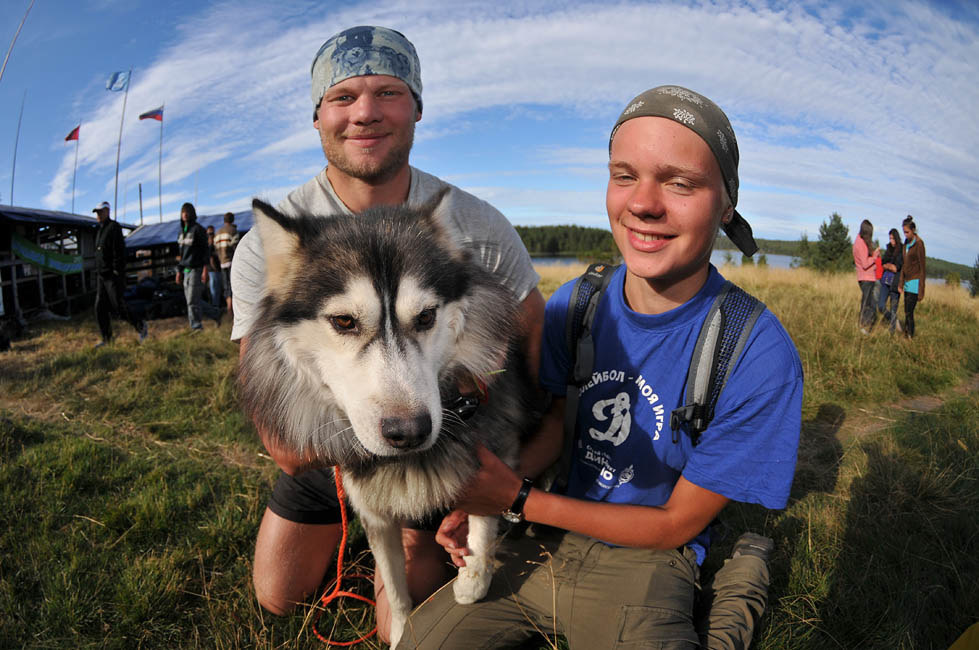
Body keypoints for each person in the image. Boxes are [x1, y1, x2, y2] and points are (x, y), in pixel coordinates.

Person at [399, 86, 803, 650]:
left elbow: (675, 524)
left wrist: (514, 498)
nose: (643, 203)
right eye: (624, 175)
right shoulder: (577, 305)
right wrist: (482, 501)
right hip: (542, 537)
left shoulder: (756, 352)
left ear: (726, 204)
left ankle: (741, 577)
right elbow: (563, 423)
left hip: (650, 557)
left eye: (680, 182)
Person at [229, 26, 545, 643]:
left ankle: (407, 538)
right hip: (327, 445)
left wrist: (504, 476)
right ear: (318, 115)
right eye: (343, 97)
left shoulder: (476, 223)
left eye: (388, 92)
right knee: (277, 594)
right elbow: (284, 442)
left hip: (448, 433)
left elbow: (532, 349)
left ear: (418, 108)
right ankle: (364, 527)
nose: (365, 112)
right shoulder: (268, 248)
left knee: (406, 612)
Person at [92, 201, 148, 347]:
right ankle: (107, 338)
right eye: (96, 213)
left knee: (119, 306)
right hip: (101, 276)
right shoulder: (99, 230)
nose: (97, 215)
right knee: (99, 308)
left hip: (112, 275)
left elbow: (119, 251)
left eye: (100, 212)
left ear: (107, 211)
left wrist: (117, 272)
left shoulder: (113, 227)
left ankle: (141, 326)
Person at [176, 202, 222, 331]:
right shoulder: (180, 232)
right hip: (185, 270)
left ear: (192, 213)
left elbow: (205, 251)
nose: (185, 214)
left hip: (196, 269)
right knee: (192, 301)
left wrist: (205, 269)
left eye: (187, 211)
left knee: (191, 301)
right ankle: (216, 313)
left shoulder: (198, 230)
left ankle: (196, 328)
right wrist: (179, 271)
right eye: (183, 211)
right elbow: (181, 254)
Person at [853, 219, 880, 334]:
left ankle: (864, 326)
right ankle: (864, 327)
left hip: (864, 277)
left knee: (869, 303)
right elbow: (865, 264)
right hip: (866, 278)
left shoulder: (858, 241)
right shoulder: (861, 244)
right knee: (868, 304)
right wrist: (875, 256)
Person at [901, 215, 925, 338]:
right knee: (906, 312)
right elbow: (903, 265)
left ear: (913, 230)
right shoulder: (905, 243)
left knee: (909, 312)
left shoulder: (919, 244)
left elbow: (922, 268)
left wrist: (921, 290)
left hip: (915, 284)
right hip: (906, 283)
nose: (905, 235)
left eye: (907, 232)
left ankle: (910, 336)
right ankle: (906, 335)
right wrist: (901, 284)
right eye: (903, 232)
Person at [877, 227, 903, 332]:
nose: (891, 241)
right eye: (890, 238)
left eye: (893, 238)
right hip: (885, 281)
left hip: (895, 283)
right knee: (881, 305)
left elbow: (897, 267)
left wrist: (889, 266)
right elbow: (883, 264)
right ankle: (893, 320)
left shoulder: (901, 249)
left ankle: (891, 333)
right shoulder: (889, 249)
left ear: (897, 238)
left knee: (893, 309)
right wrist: (888, 266)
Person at [214, 212, 239, 317]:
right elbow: (236, 247)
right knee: (234, 285)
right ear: (232, 220)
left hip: (222, 263)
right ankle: (233, 308)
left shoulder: (218, 232)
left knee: (226, 285)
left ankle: (229, 306)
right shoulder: (233, 231)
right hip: (232, 262)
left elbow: (216, 248)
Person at [205, 225, 223, 311]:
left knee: (217, 290)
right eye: (209, 234)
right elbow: (210, 259)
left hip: (216, 270)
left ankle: (216, 306)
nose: (211, 235)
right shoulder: (208, 246)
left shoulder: (215, 244)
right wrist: (215, 268)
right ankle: (215, 307)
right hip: (212, 271)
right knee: (214, 290)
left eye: (212, 233)